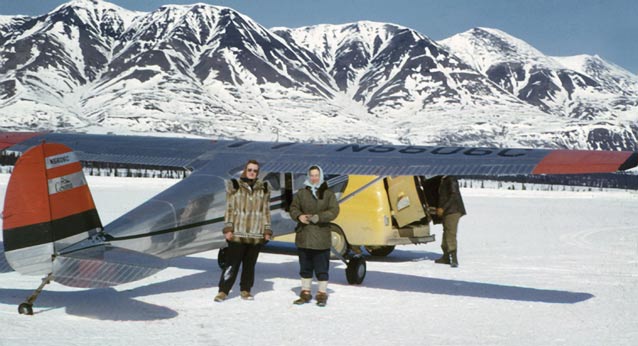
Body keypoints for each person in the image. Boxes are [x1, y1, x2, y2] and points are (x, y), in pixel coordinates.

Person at [215, 160, 272, 302]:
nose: (252, 172)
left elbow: (266, 211)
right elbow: (229, 209)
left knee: (249, 265)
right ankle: (223, 290)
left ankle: (246, 290)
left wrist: (267, 230)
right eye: (250, 170)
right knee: (231, 264)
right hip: (238, 233)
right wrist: (228, 228)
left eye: (255, 171)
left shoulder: (263, 188)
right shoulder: (235, 186)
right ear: (245, 170)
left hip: (256, 233)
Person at [289, 165, 339, 307]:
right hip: (304, 236)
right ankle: (305, 292)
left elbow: (334, 210)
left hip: (321, 237)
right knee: (305, 267)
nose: (314, 178)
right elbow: (293, 208)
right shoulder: (301, 193)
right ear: (308, 176)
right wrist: (299, 216)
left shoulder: (328, 194)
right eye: (312, 175)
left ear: (321, 176)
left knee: (321, 268)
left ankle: (322, 293)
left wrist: (319, 217)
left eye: (316, 175)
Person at [433, 175, 466, 268]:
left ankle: (454, 258)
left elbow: (453, 195)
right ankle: (446, 256)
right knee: (446, 232)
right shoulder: (444, 179)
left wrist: (443, 208)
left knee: (450, 233)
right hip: (449, 210)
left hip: (453, 210)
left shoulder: (451, 179)